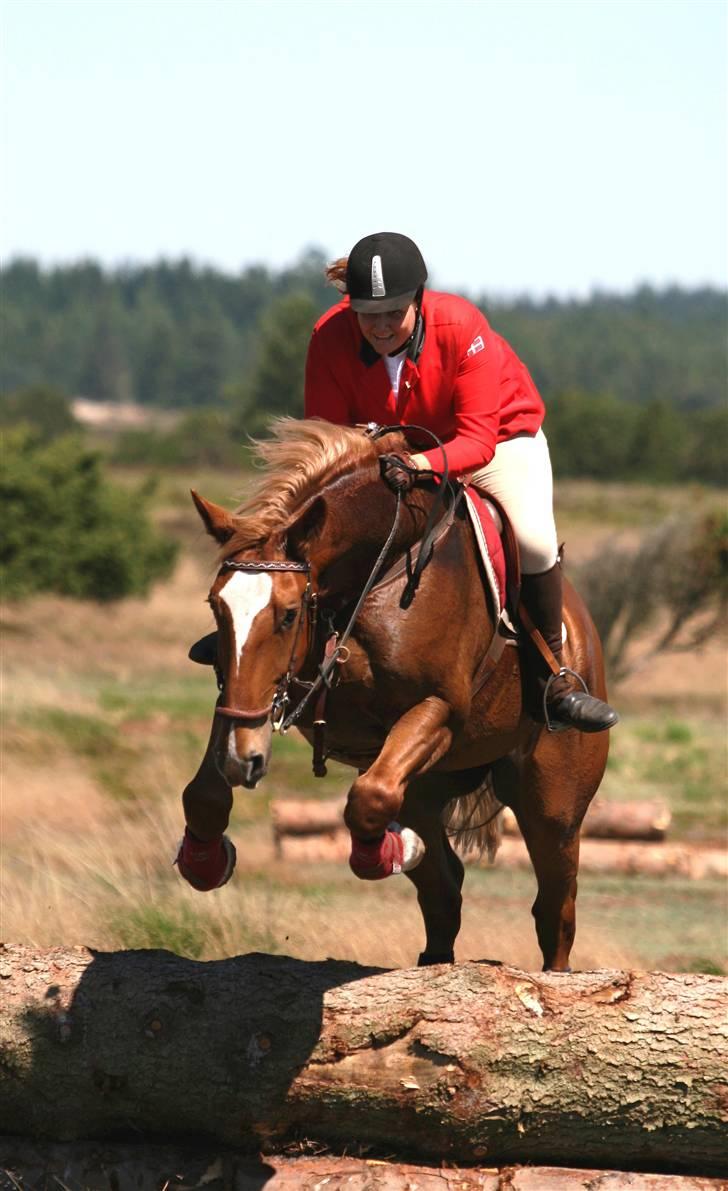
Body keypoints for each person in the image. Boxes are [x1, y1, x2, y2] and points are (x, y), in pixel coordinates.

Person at [304, 231, 618, 733]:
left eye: (393, 313)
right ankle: (266, 641)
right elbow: (327, 440)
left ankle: (553, 680)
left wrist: (421, 466)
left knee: (533, 542)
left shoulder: (461, 325)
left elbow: (477, 440)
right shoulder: (328, 336)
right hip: (392, 449)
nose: (380, 326)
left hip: (497, 438)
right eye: (368, 314)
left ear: (419, 299)